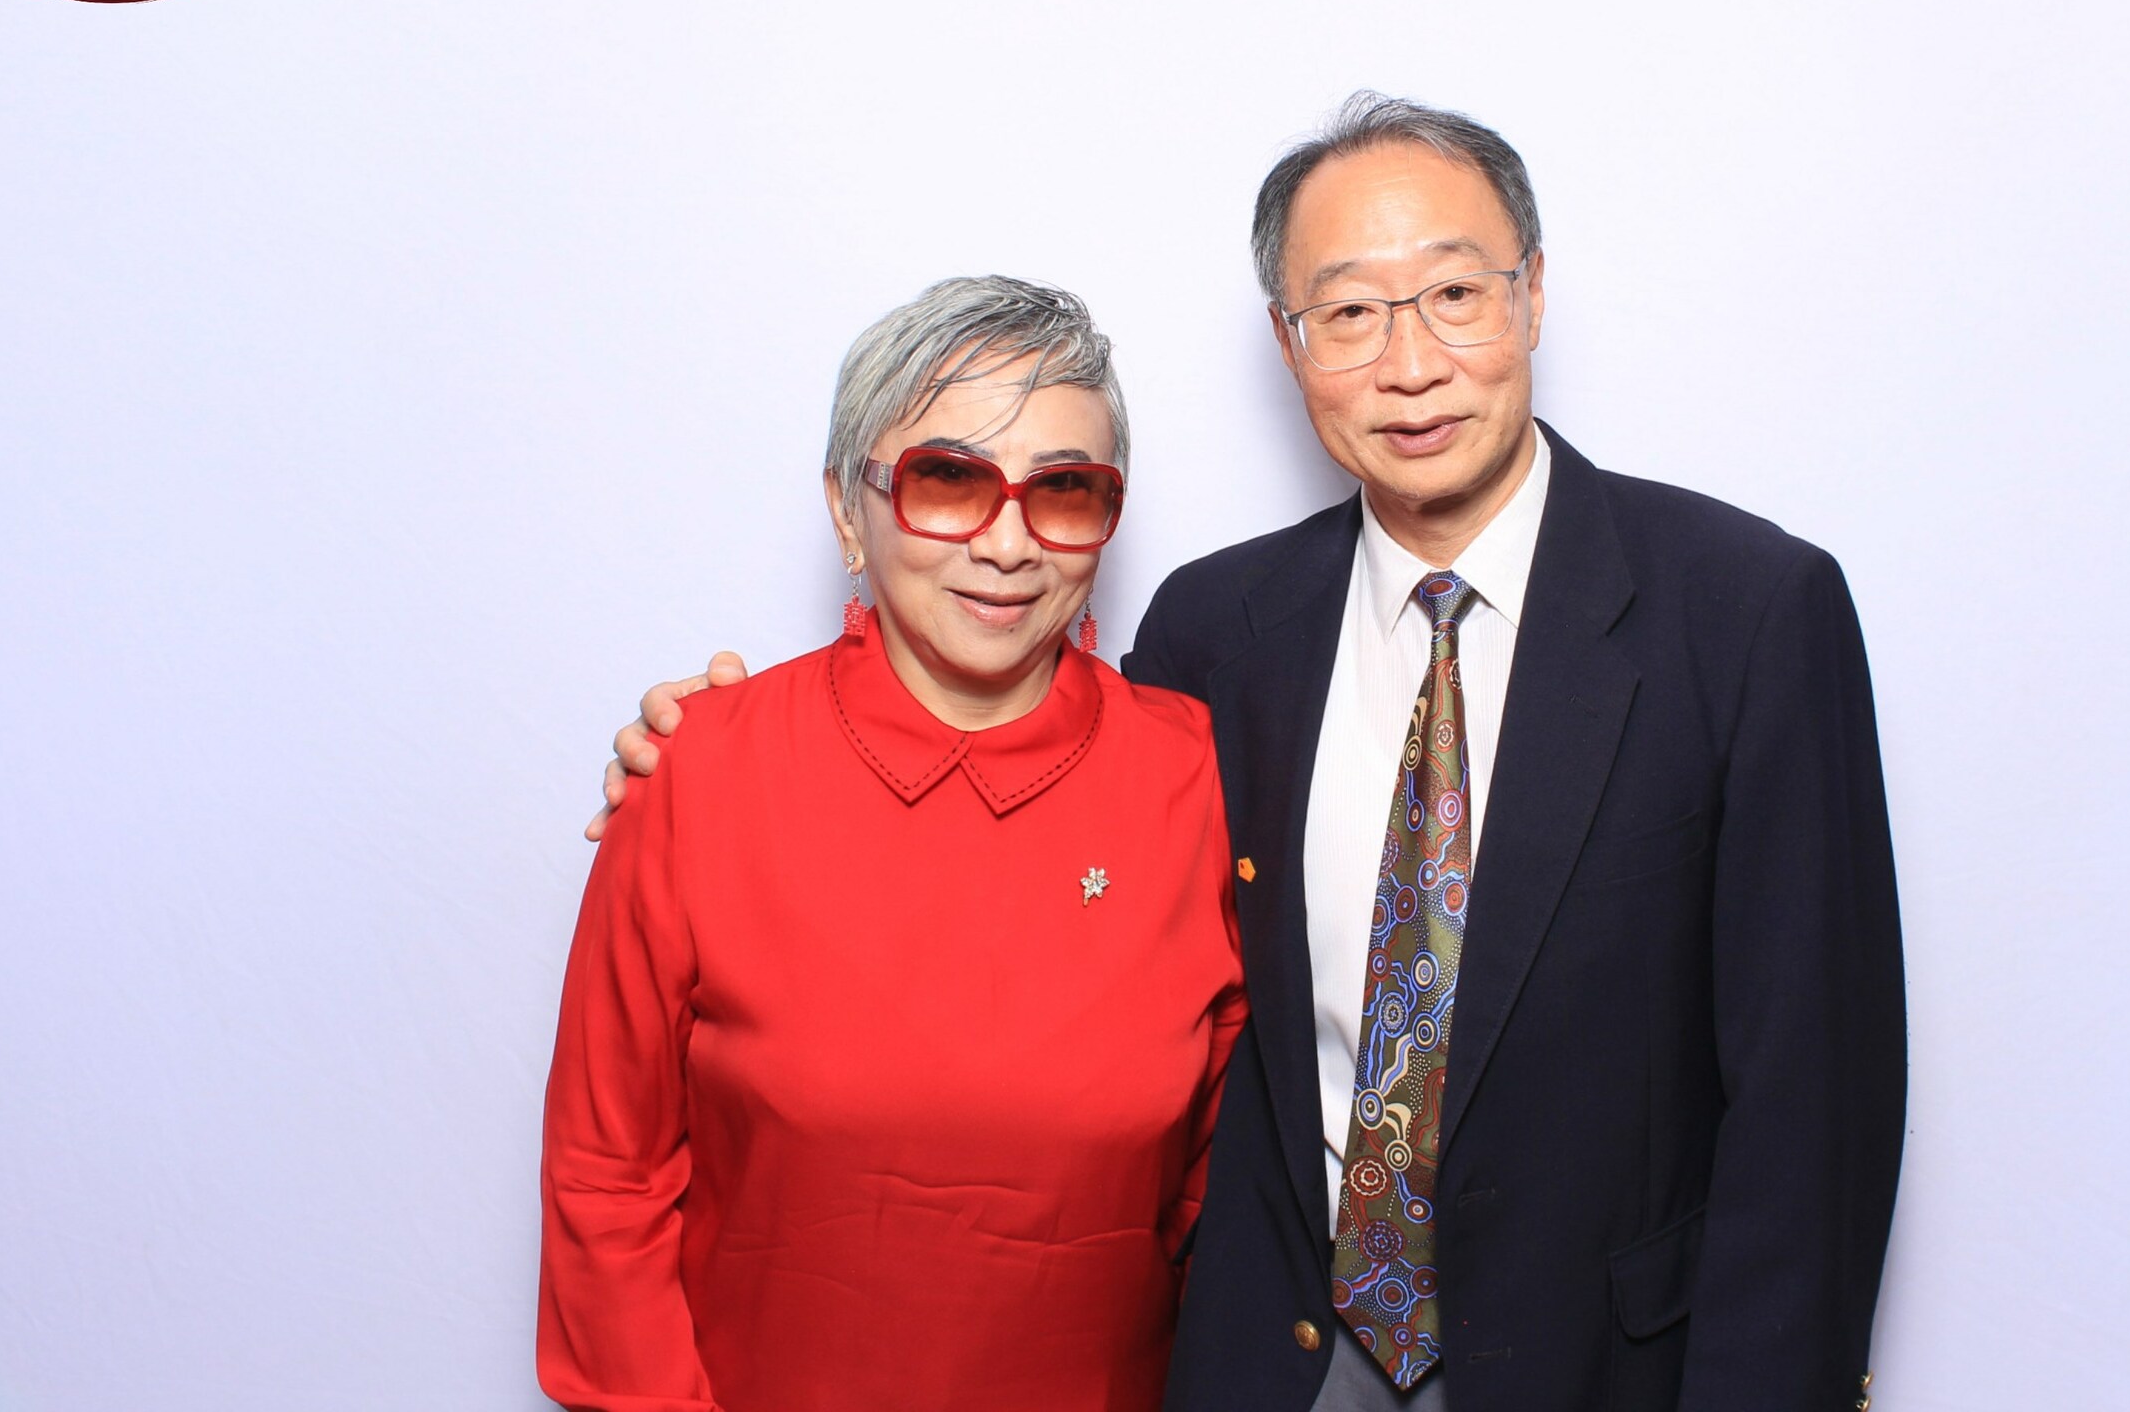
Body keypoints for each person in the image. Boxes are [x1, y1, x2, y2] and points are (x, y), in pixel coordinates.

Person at [603, 96, 1906, 1412]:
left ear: (1532, 296)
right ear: (1289, 343)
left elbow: (1817, 1105)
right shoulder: (1217, 634)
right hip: (1274, 1365)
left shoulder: (1745, 616)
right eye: (1349, 312)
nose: (1410, 363)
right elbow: (1029, 821)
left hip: (1604, 1372)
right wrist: (718, 764)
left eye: (1455, 293)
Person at [541, 277, 1246, 1412]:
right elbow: (604, 1177)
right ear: (846, 509)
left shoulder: (1200, 777)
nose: (1009, 544)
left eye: (1064, 490)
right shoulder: (703, 773)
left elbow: (1236, 1182)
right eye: (948, 481)